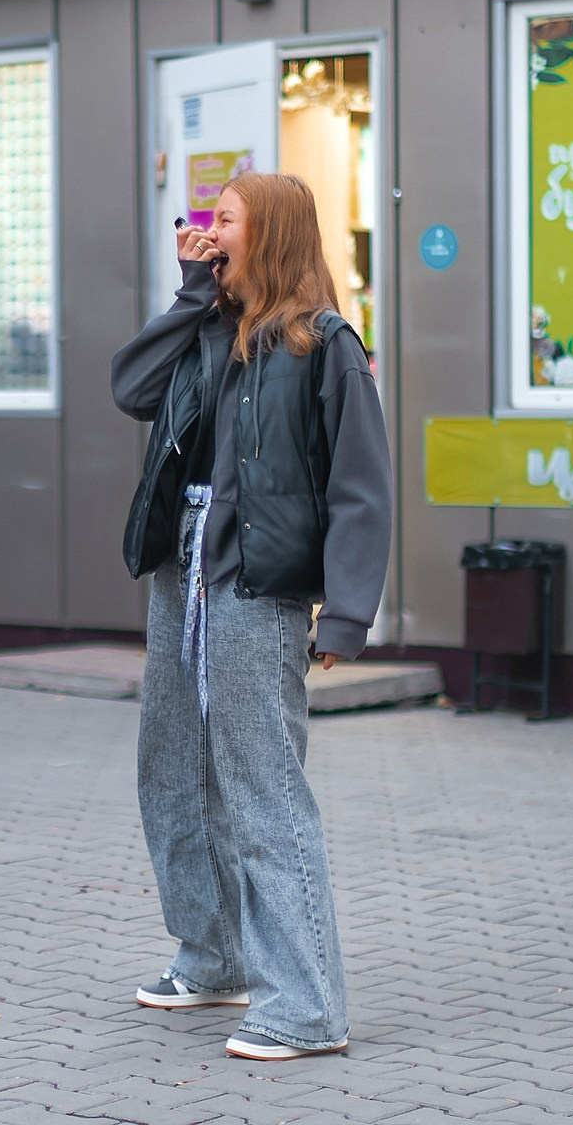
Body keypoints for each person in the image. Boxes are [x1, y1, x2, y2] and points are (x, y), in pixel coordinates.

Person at [111, 173, 390, 1061]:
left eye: (223, 221)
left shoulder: (327, 347)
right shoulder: (208, 331)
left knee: (263, 791)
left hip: (256, 587)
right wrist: (192, 293)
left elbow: (362, 490)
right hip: (179, 575)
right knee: (173, 772)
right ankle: (213, 956)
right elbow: (132, 386)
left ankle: (307, 1006)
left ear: (266, 235)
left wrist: (345, 616)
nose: (207, 231)